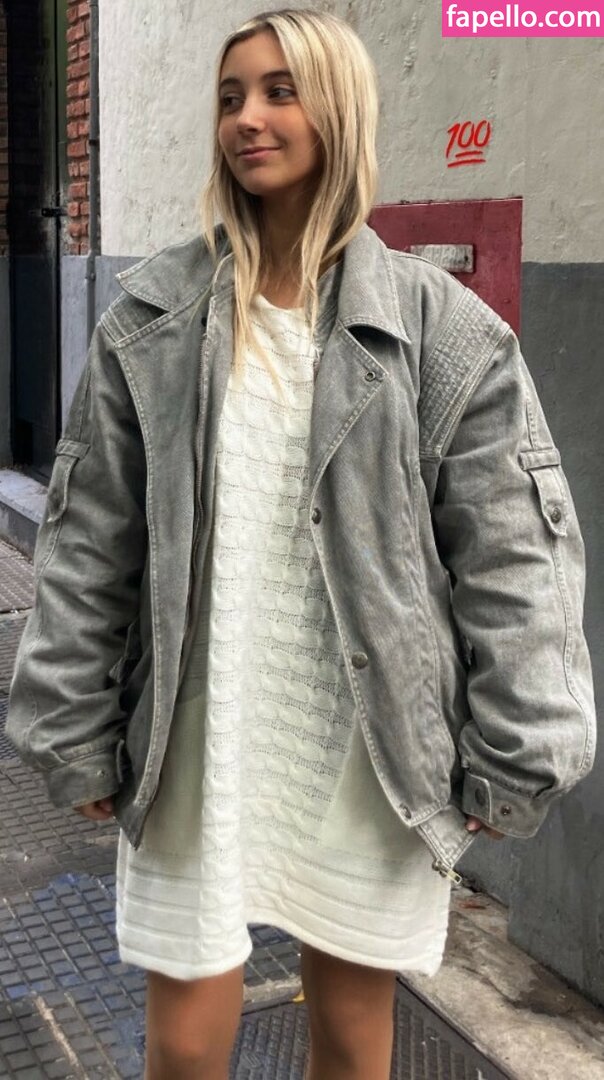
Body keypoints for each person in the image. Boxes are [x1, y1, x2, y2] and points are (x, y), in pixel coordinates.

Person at [6, 8, 595, 1080]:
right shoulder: (153, 318)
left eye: (280, 91)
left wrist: (518, 745)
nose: (247, 117)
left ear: (340, 111)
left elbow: (514, 556)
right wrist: (72, 723)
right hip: (199, 727)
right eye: (231, 95)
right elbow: (89, 543)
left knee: (353, 1029)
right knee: (183, 1041)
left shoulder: (441, 330)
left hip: (366, 741)